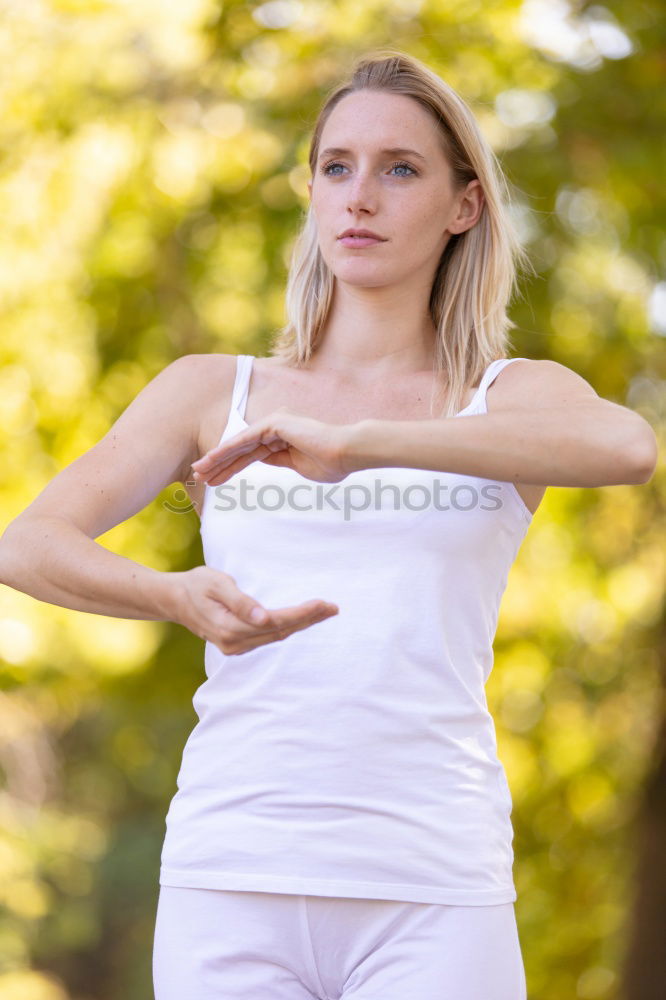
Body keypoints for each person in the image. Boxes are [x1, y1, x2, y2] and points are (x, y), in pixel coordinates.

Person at [0, 49, 657, 1000]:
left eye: (401, 169)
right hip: (231, 871)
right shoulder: (211, 391)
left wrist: (362, 442)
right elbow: (26, 543)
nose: (361, 197)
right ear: (311, 192)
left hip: (433, 884)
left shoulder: (507, 397)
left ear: (463, 205)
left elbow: (628, 446)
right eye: (337, 167)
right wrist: (174, 598)